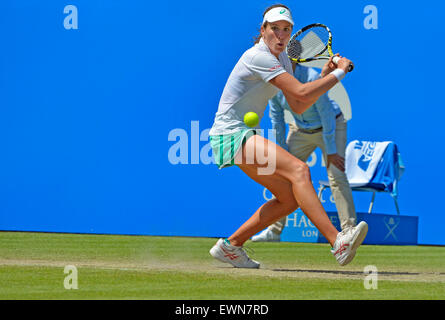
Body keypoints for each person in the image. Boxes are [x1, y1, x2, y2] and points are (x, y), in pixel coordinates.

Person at [208, 4, 367, 268]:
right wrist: (340, 73)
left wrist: (326, 74)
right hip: (230, 134)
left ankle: (231, 246)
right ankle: (338, 241)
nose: (280, 35)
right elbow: (303, 94)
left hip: (238, 134)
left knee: (288, 199)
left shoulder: (282, 59)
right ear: (263, 30)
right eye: (274, 29)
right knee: (299, 170)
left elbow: (299, 104)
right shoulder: (259, 56)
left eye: (286, 30)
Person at [252, 63, 357, 242]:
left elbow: (326, 114)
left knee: (336, 175)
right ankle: (275, 231)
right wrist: (282, 152)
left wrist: (331, 150)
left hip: (331, 127)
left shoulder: (311, 77)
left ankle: (349, 231)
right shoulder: (275, 83)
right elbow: (277, 119)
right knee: (285, 177)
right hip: (300, 130)